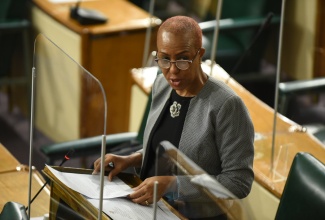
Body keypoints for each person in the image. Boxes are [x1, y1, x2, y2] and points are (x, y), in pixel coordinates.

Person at [93, 15, 254, 219]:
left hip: (193, 215)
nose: (173, 70)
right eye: (164, 58)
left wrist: (173, 184)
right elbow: (170, 148)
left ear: (199, 54)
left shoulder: (227, 105)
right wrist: (131, 159)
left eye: (183, 58)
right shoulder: (161, 85)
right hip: (148, 204)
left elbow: (238, 182)